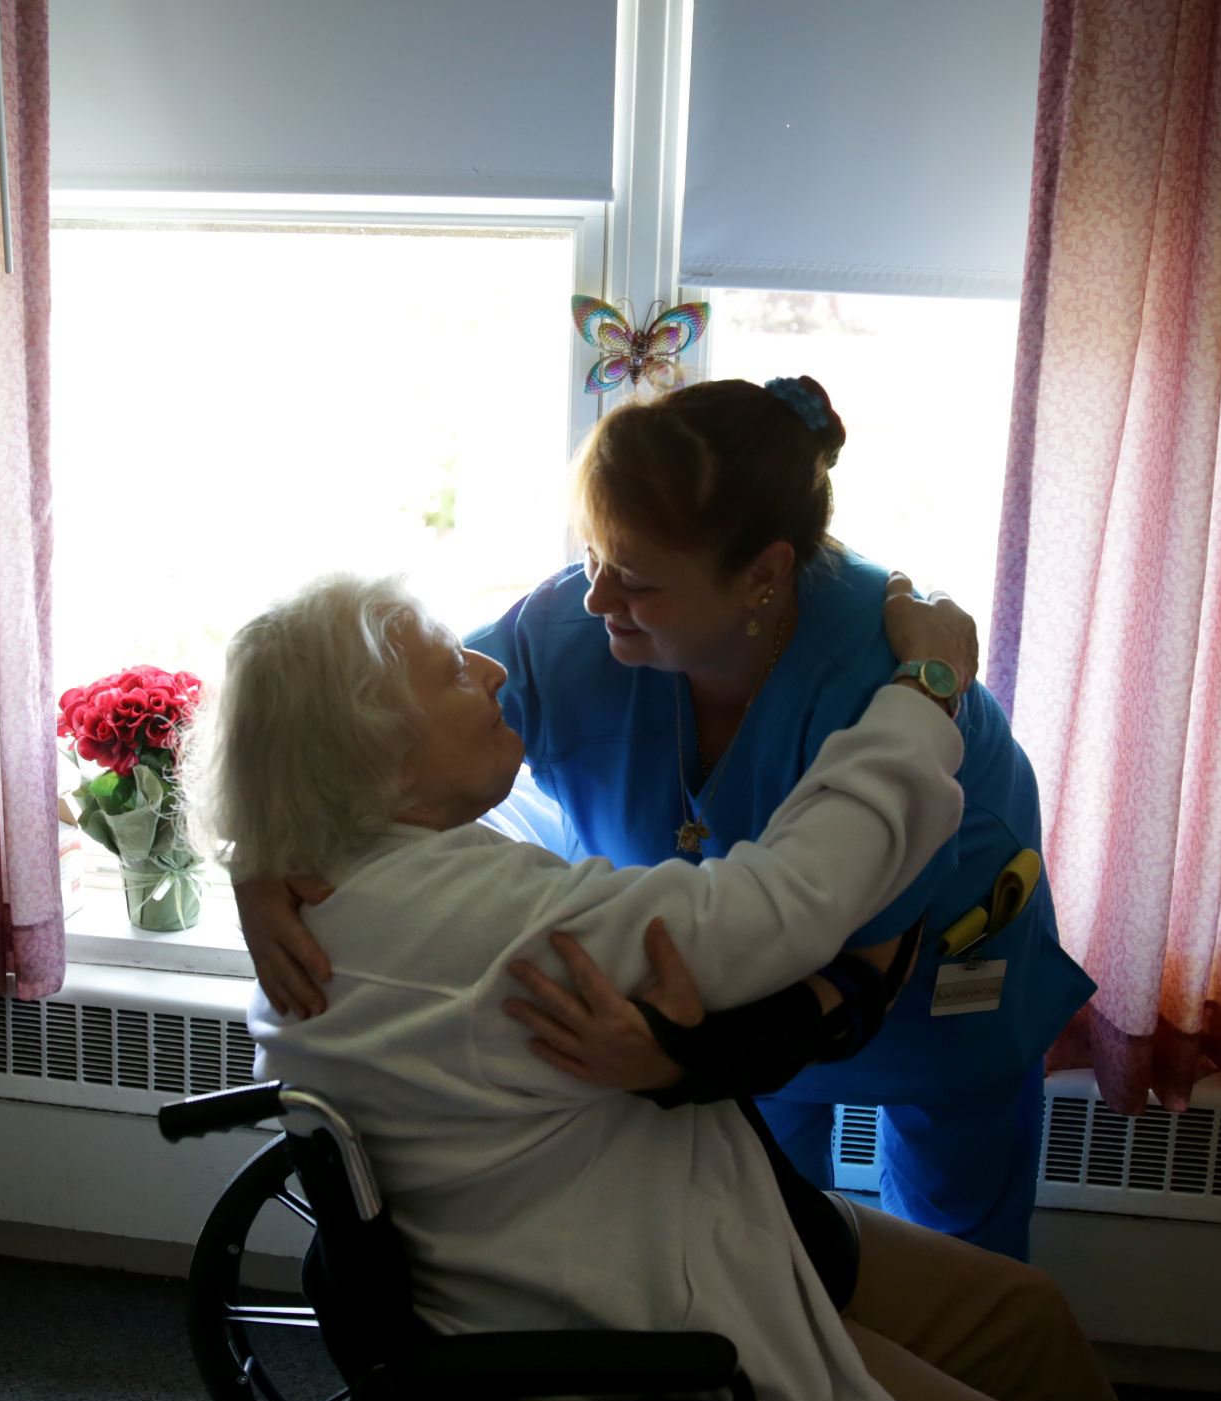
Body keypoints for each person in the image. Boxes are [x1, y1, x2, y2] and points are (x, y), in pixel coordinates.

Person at [209, 571, 1221, 1401]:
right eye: (447, 673)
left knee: (1022, 1319)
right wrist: (928, 690)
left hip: (665, 1223)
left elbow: (340, 815)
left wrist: (248, 853)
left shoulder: (342, 888)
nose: (491, 668)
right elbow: (790, 899)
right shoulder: (457, 918)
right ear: (374, 762)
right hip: (648, 1320)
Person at [241, 376, 1092, 1261]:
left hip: (928, 979)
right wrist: (263, 851)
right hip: (723, 972)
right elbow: (370, 740)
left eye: (637, 580)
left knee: (957, 1240)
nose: (596, 597)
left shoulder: (885, 682)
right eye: (594, 556)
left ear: (762, 577)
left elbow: (857, 976)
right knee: (773, 1224)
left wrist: (688, 1059)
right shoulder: (569, 627)